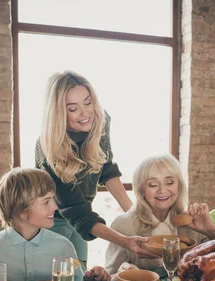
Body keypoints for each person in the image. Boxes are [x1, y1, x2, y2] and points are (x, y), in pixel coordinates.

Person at [35, 71, 154, 264]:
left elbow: (106, 169)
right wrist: (126, 241)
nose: (85, 113)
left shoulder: (99, 121)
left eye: (88, 102)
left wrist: (134, 215)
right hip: (50, 223)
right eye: (73, 109)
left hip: (82, 220)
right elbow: (77, 211)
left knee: (79, 278)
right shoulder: (48, 149)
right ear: (58, 114)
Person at [0, 167, 110, 281]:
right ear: (21, 210)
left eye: (53, 199)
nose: (55, 206)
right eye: (46, 202)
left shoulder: (63, 246)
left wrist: (94, 279)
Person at [105, 154, 215, 275]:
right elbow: (109, 278)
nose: (162, 190)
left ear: (179, 186)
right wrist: (124, 273)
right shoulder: (123, 225)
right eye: (153, 184)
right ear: (141, 190)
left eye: (170, 182)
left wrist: (211, 231)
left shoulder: (192, 221)